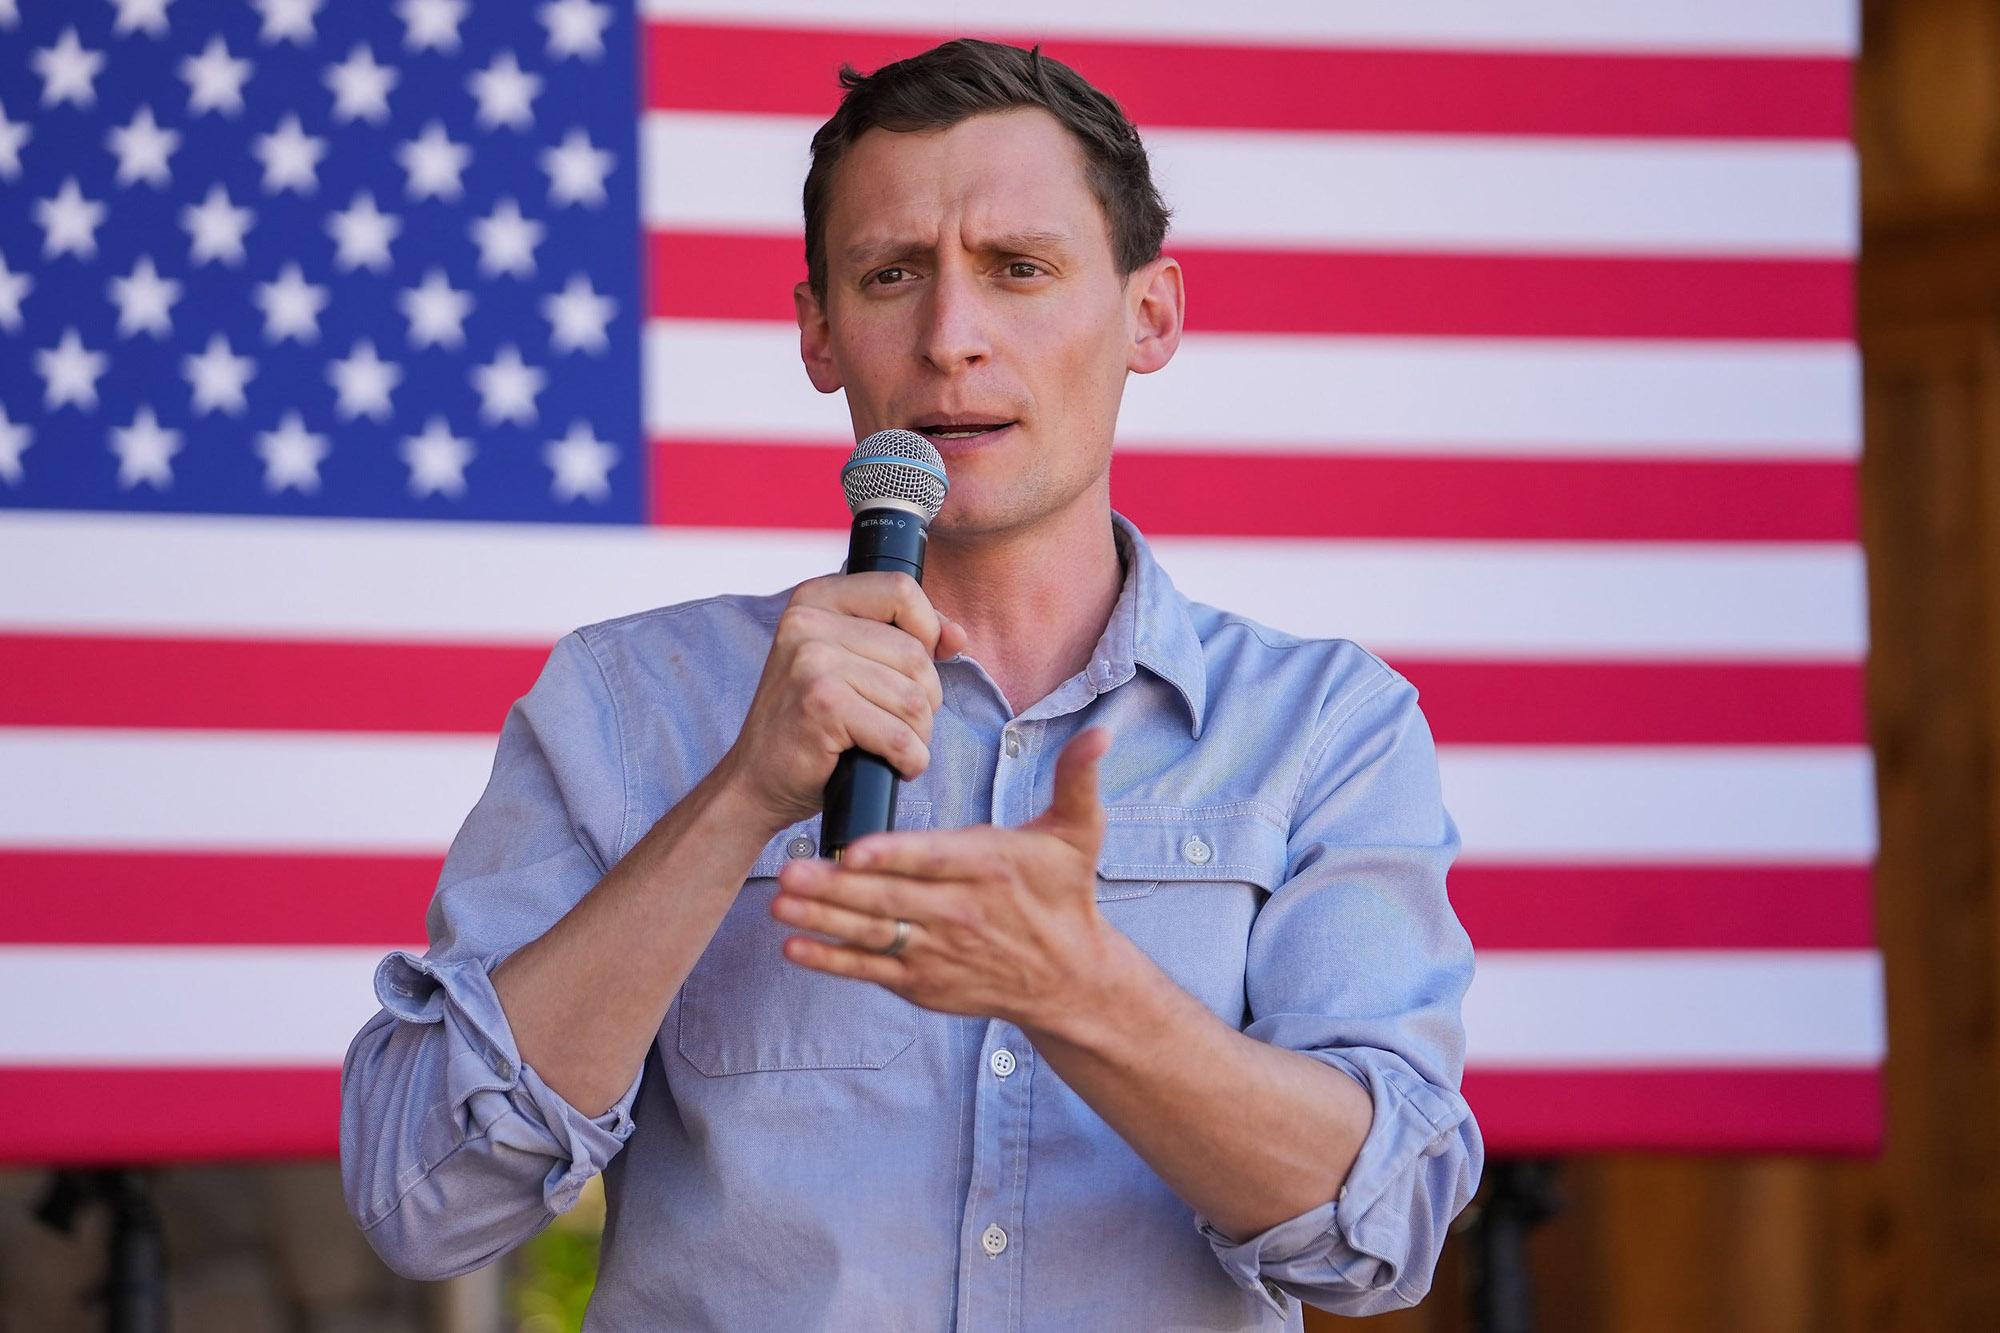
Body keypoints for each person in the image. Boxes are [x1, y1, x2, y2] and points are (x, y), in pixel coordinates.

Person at [340, 38, 1480, 1330]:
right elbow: (424, 1199)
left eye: (1020, 270)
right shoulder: (625, 698)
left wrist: (1082, 989)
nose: (951, 339)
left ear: (1149, 314)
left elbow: (1378, 1235)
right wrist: (737, 798)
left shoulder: (1323, 725)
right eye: (892, 276)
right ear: (821, 332)